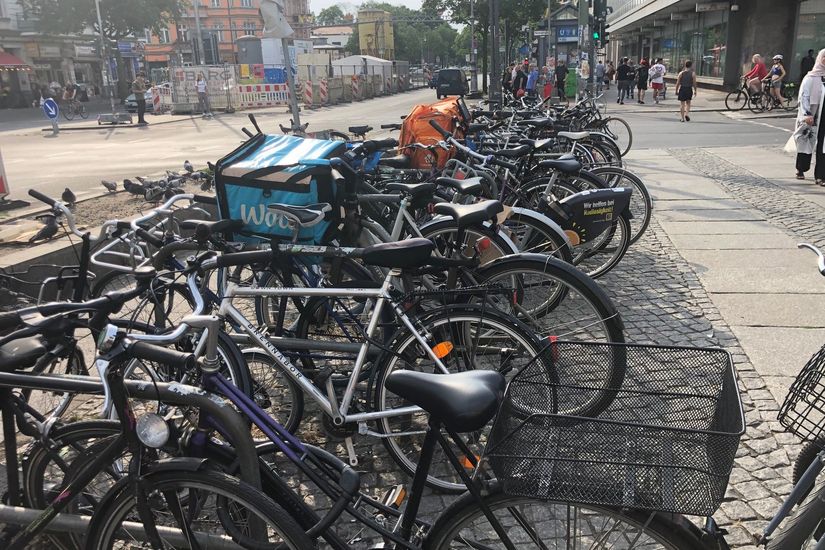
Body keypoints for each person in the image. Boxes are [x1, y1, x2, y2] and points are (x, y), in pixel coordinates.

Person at [794, 48, 825, 184]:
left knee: (823, 146)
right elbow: (804, 97)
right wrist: (807, 113)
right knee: (806, 143)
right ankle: (801, 168)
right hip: (811, 116)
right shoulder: (810, 77)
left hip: (823, 116)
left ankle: (821, 175)